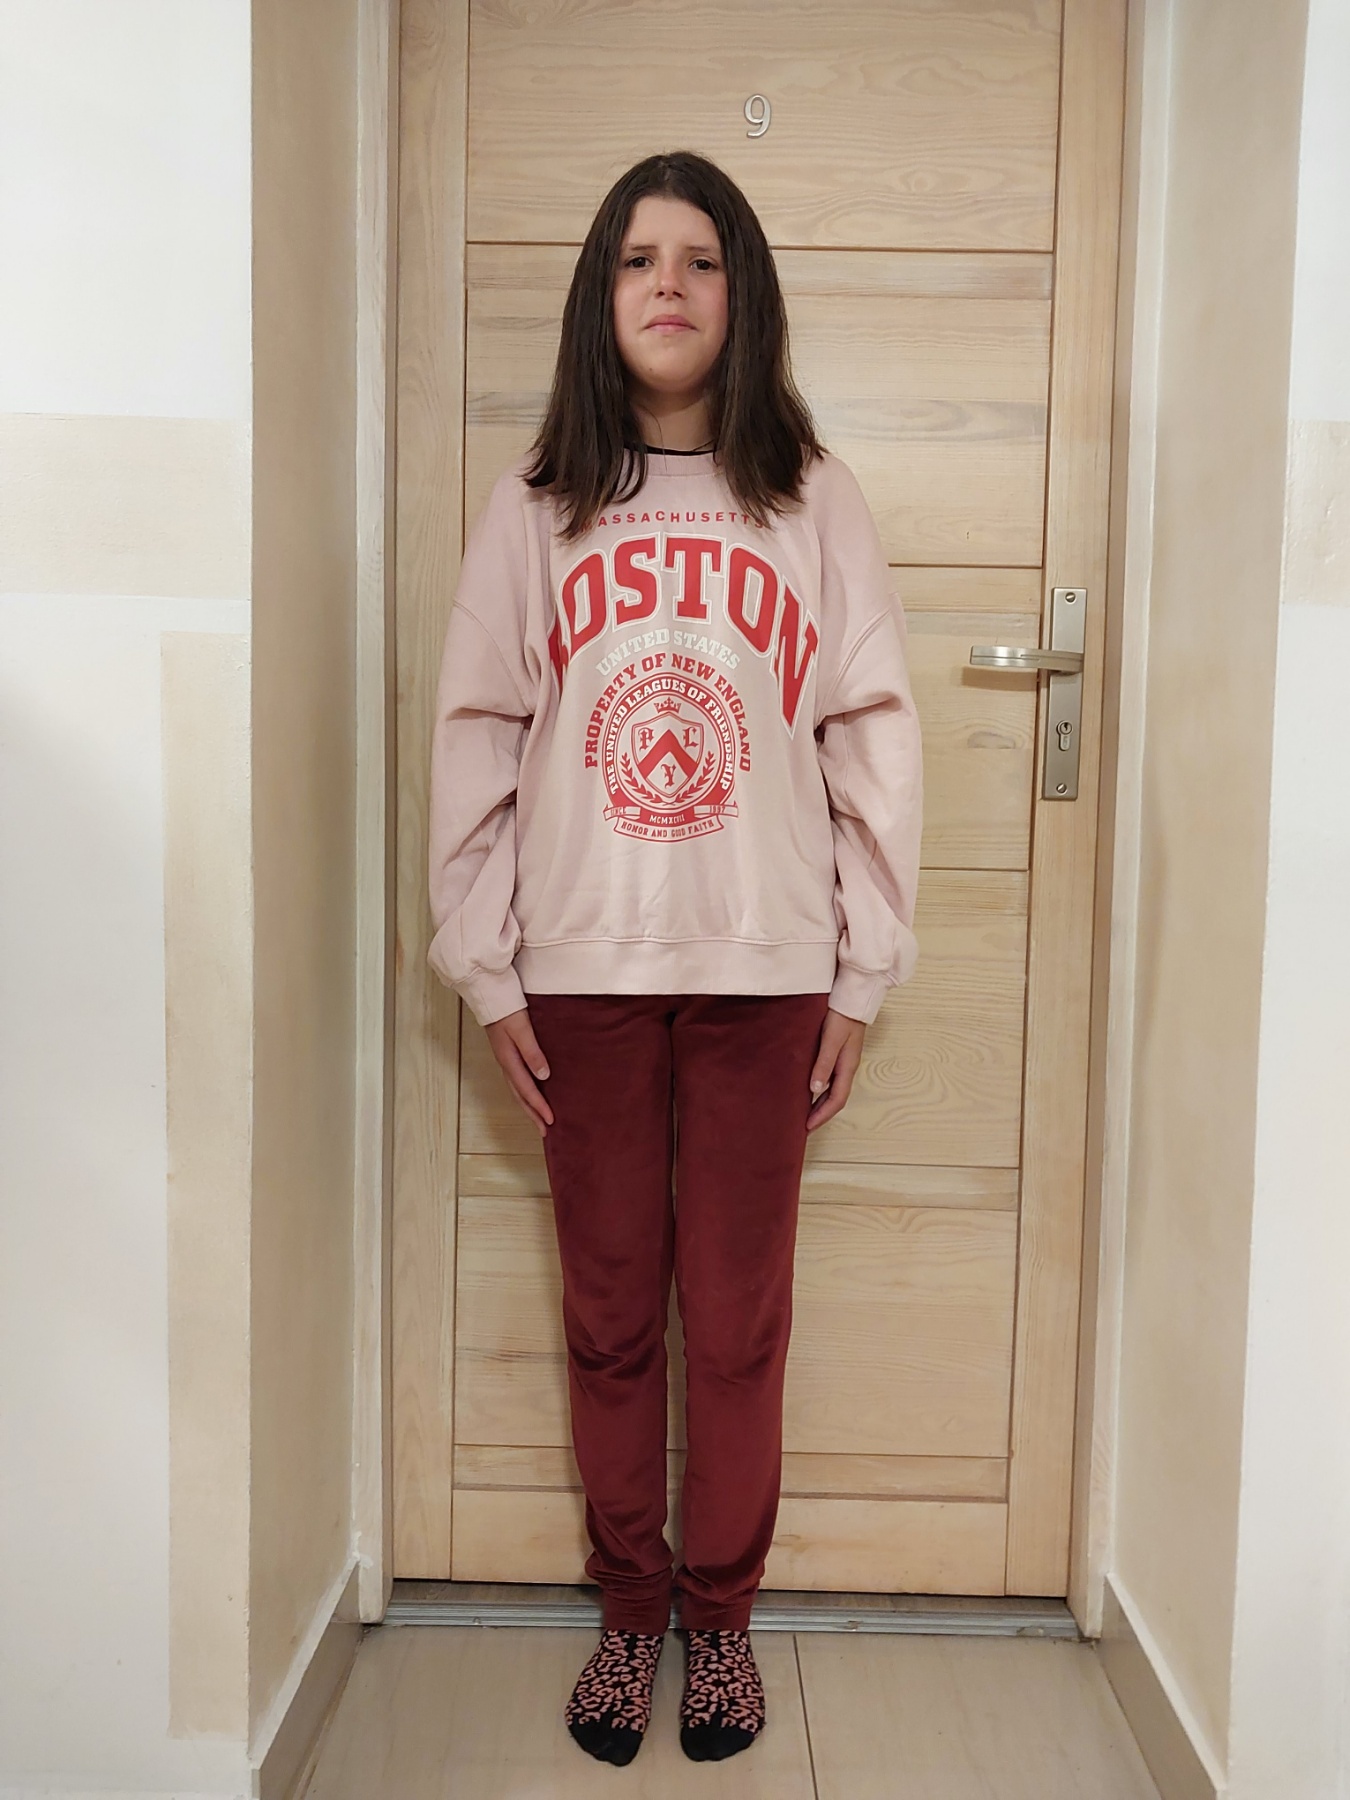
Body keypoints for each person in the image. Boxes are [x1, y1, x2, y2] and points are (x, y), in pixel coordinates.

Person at [427, 150, 922, 1767]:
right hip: (580, 973)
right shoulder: (535, 506)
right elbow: (476, 735)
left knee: (739, 1318)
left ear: (741, 295)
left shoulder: (812, 500)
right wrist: (488, 965)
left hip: (764, 975)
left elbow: (872, 737)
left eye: (700, 259)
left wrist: (859, 969)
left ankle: (719, 1623)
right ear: (601, 292)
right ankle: (626, 1610)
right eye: (639, 257)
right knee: (611, 1316)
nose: (667, 284)